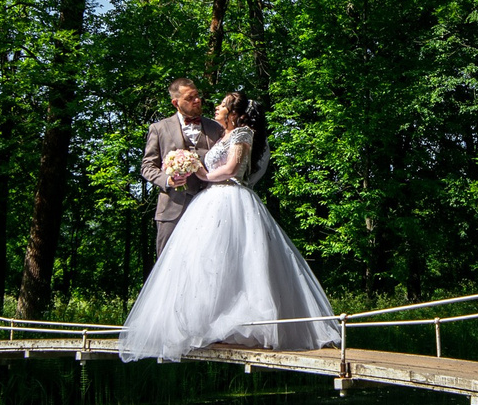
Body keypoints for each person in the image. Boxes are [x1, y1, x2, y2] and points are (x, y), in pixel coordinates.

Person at [120, 91, 341, 361]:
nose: (215, 107)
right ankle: (205, 325)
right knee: (205, 264)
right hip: (210, 201)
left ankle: (245, 327)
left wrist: (200, 171)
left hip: (231, 198)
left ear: (233, 113)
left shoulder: (242, 134)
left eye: (222, 105)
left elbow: (232, 169)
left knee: (240, 263)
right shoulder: (223, 134)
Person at [139, 78, 223, 260]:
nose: (197, 100)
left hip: (209, 207)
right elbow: (147, 166)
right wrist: (167, 180)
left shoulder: (215, 128)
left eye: (197, 96)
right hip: (172, 208)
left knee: (206, 262)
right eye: (190, 97)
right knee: (166, 264)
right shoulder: (159, 128)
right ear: (176, 103)